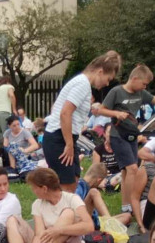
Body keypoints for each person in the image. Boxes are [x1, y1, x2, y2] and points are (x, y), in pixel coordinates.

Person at [103, 64, 155, 210]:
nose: (145, 87)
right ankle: (129, 205)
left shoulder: (141, 94)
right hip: (118, 135)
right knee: (133, 168)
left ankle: (125, 203)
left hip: (132, 135)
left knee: (125, 171)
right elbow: (102, 109)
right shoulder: (116, 91)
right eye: (144, 84)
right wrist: (116, 114)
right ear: (135, 78)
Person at [42, 51, 124, 193]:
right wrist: (68, 144)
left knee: (73, 181)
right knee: (65, 189)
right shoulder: (82, 84)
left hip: (64, 138)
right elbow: (65, 113)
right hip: (58, 139)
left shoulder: (81, 83)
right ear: (100, 71)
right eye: (108, 78)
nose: (107, 83)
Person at [11, 168, 94, 243]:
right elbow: (40, 235)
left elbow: (89, 226)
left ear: (44, 188)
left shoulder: (72, 199)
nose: (32, 190)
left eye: (34, 187)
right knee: (12, 219)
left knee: (68, 213)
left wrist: (59, 230)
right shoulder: (37, 204)